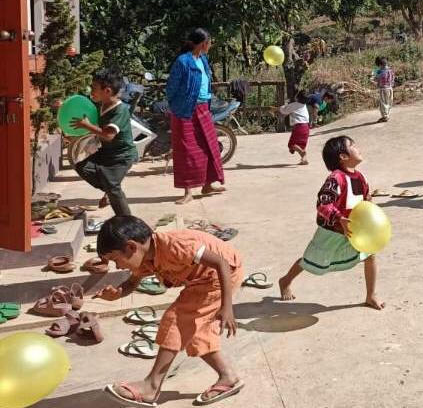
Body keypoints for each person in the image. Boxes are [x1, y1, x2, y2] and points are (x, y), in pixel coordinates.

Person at [96, 215, 244, 406]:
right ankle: (228, 377)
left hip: (220, 275)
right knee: (194, 332)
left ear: (132, 247)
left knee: (175, 319)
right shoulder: (145, 256)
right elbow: (131, 283)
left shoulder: (176, 246)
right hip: (201, 279)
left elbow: (221, 263)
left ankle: (151, 385)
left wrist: (227, 306)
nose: (118, 266)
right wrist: (117, 294)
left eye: (115, 259)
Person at [277, 136, 384, 310]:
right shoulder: (336, 178)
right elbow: (323, 203)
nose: (358, 148)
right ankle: (285, 280)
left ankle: (370, 295)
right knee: (310, 259)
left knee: (370, 255)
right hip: (332, 230)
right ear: (343, 156)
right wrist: (338, 218)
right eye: (353, 146)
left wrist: (370, 210)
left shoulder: (360, 177)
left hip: (353, 228)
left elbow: (365, 198)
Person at [166, 28, 225, 205]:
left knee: (209, 147)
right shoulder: (183, 62)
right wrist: (177, 106)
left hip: (203, 109)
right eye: (209, 42)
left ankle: (207, 185)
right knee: (187, 152)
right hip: (185, 111)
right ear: (202, 44)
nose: (210, 46)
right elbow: (171, 88)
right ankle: (187, 191)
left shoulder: (203, 60)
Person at [72, 69, 138, 216]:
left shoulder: (120, 111)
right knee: (83, 167)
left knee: (113, 188)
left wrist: (86, 125)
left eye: (94, 88)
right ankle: (108, 190)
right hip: (107, 152)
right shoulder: (102, 103)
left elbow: (108, 135)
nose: (91, 91)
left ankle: (127, 221)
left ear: (107, 91)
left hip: (122, 156)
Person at [279, 90, 310, 165]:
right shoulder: (304, 105)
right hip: (306, 126)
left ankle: (302, 153)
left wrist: (280, 107)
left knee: (291, 144)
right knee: (301, 145)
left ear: (297, 97)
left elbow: (284, 110)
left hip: (299, 127)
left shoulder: (294, 104)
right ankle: (304, 159)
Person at [372, 56, 395, 123]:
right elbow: (393, 78)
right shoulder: (390, 70)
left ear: (380, 65)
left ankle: (385, 116)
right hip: (390, 88)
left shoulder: (381, 72)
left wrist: (374, 80)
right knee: (389, 102)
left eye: (378, 65)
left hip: (383, 89)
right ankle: (387, 114)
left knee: (383, 103)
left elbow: (376, 79)